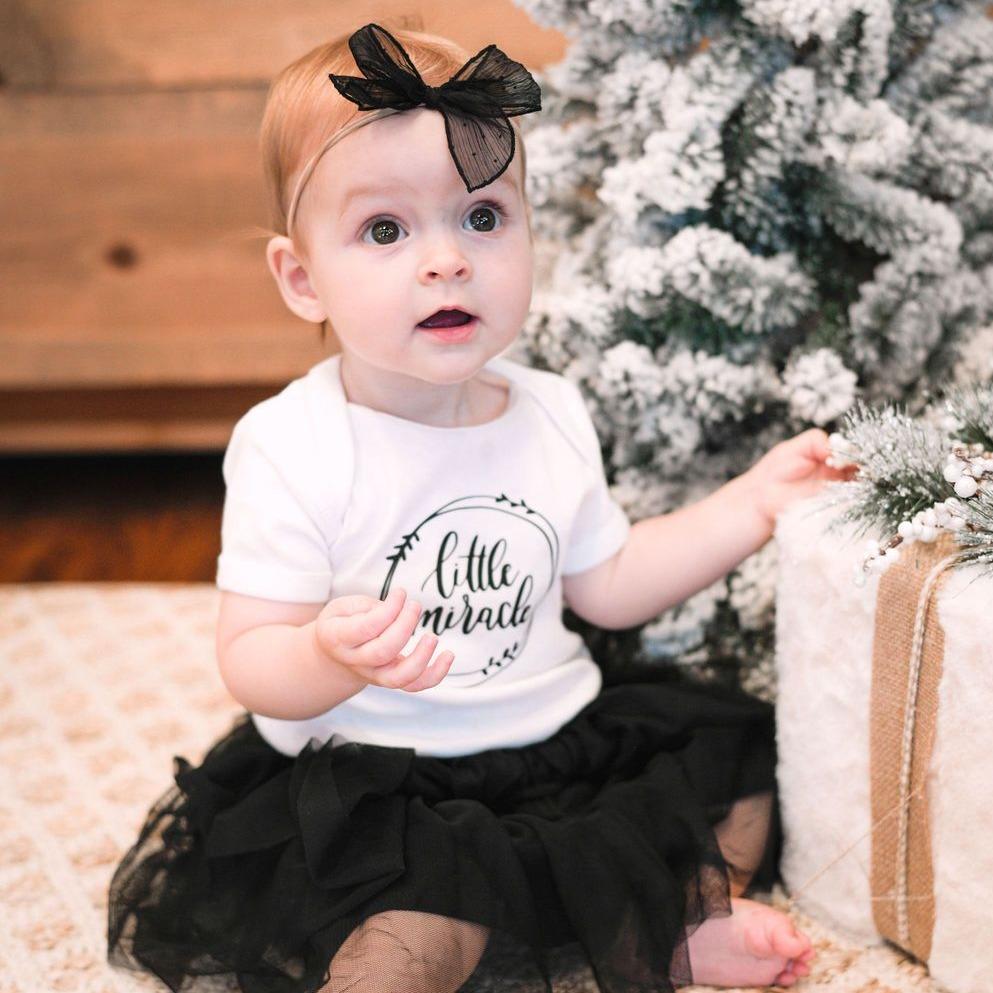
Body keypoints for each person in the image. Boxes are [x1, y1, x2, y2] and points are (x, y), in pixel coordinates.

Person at [107, 21, 843, 993]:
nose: (447, 260)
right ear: (301, 278)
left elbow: (611, 584)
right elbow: (250, 659)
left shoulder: (551, 411)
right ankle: (555, 927)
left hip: (552, 746)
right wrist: (325, 653)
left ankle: (670, 919)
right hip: (384, 780)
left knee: (736, 772)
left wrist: (750, 503)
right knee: (413, 933)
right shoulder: (294, 444)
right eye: (386, 230)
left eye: (484, 216)